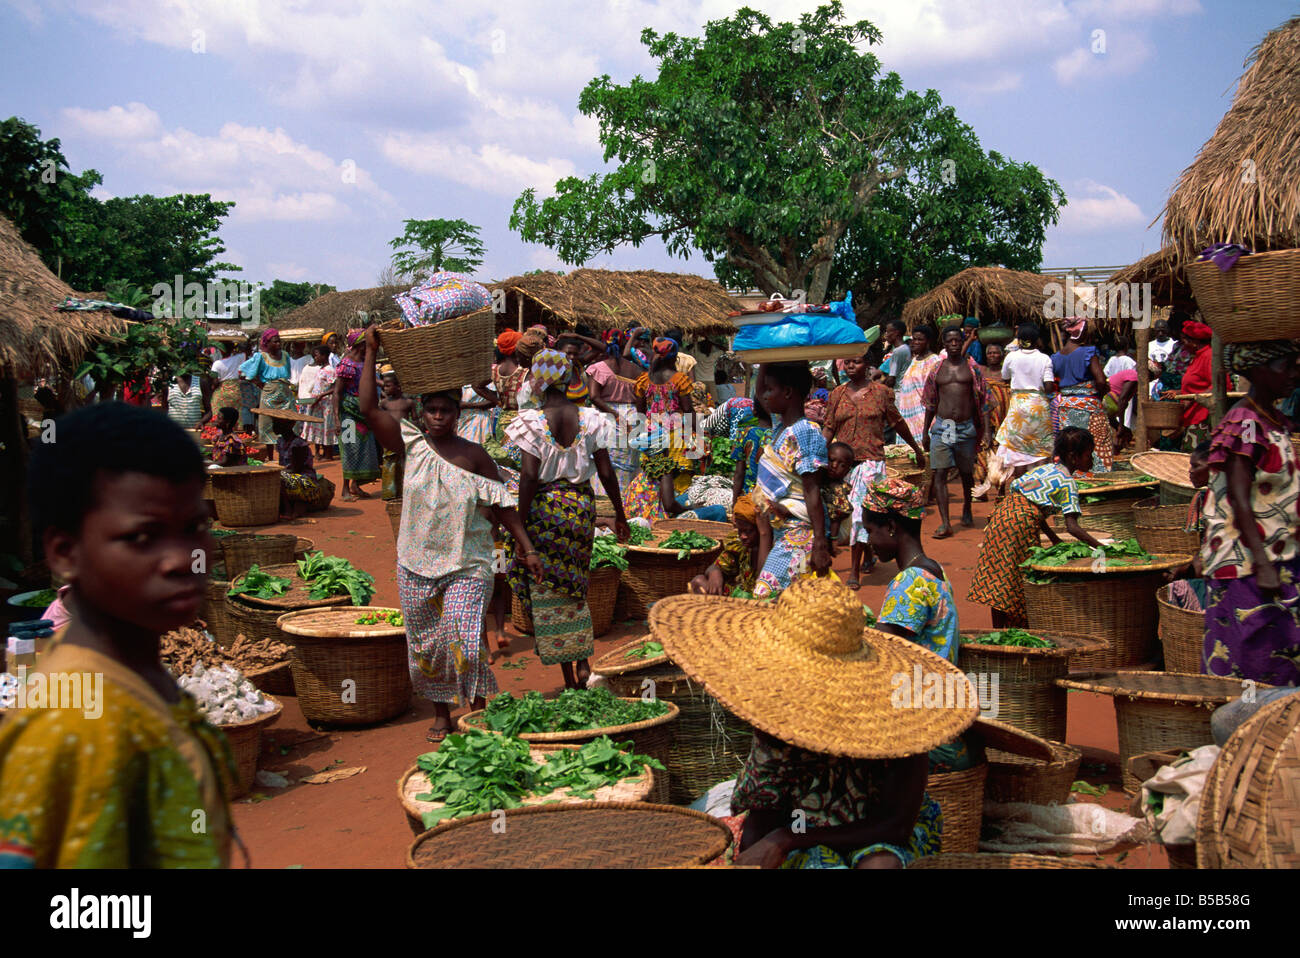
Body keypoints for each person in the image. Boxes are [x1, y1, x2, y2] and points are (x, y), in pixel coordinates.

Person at [0, 403, 234, 867]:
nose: (181, 558)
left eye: (193, 528)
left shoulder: (136, 673)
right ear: (65, 553)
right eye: (143, 537)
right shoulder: (77, 720)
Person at [650, 578, 973, 868]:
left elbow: (895, 825)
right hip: (801, 823)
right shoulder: (778, 718)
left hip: (877, 829)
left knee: (881, 864)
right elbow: (764, 816)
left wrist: (788, 840)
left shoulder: (903, 717)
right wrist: (767, 848)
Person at [358, 328, 542, 742]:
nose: (439, 417)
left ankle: (476, 712)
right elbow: (368, 407)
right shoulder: (411, 444)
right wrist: (371, 351)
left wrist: (526, 548)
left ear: (458, 414)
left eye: (446, 410)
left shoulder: (474, 455)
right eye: (433, 410)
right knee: (424, 644)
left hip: (466, 562)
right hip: (415, 560)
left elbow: (503, 505)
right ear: (422, 412)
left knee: (461, 634)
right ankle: (442, 712)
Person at [506, 349, 630, 689]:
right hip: (579, 511)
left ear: (538, 381)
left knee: (548, 590)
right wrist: (620, 514)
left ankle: (568, 674)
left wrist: (520, 523)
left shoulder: (531, 422)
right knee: (576, 586)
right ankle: (583, 663)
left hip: (545, 511)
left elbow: (530, 477)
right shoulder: (590, 419)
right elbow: (606, 471)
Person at [1200, 341, 1300, 686]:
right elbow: (1240, 499)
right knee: (1248, 661)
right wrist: (1262, 562)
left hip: (1278, 555)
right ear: (1257, 371)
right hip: (1245, 564)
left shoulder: (1273, 419)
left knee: (1282, 656)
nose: (1293, 374)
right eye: (1284, 366)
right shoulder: (1245, 421)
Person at [968, 427, 1105, 627]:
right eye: (1088, 455)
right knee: (1020, 578)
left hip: (1001, 516)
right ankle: (1020, 629)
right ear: (1073, 457)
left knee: (999, 578)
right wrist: (1100, 546)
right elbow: (1072, 527)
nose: (1091, 460)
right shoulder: (1067, 483)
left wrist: (1052, 538)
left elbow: (1028, 499)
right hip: (1020, 524)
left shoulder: (1045, 469)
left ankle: (997, 632)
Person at [750, 362, 831, 599]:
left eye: (770, 390)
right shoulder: (781, 428)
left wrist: (820, 542)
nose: (764, 396)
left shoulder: (804, 431)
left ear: (787, 392)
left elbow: (812, 490)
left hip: (801, 533)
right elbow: (758, 394)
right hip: (783, 530)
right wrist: (766, 357)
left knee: (764, 595)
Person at [923, 325, 988, 538]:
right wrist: (925, 432)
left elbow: (984, 400)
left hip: (965, 426)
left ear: (962, 342)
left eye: (957, 341)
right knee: (940, 472)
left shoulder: (972, 368)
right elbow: (930, 402)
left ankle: (967, 507)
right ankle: (945, 522)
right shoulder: (936, 369)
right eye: (949, 341)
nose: (953, 344)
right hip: (944, 426)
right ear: (943, 343)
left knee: (966, 472)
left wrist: (987, 431)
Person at [632, 337, 697, 519]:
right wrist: (699, 435)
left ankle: (655, 511)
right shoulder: (680, 379)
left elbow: (640, 411)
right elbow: (688, 409)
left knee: (656, 473)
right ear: (675, 357)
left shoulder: (644, 379)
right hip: (676, 432)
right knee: (678, 475)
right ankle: (677, 512)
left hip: (652, 433)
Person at [1050, 317, 1113, 473]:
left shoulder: (1055, 357)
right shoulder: (1088, 352)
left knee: (1071, 445)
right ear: (1081, 332)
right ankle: (1097, 477)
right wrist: (1104, 389)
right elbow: (1100, 380)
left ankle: (1073, 476)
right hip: (1089, 407)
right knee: (1097, 445)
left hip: (1065, 406)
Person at [994, 323, 1056, 479]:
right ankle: (1040, 488)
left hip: (1018, 406)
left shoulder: (1011, 357)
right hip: (1038, 406)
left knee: (1018, 451)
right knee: (1040, 448)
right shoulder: (1044, 358)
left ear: (1019, 340)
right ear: (1037, 341)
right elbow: (1049, 387)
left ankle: (1020, 491)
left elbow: (1005, 377)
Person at [587, 328, 645, 494]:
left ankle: (603, 498)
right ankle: (625, 498)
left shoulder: (598, 368)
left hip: (606, 416)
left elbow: (594, 397)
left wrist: (615, 415)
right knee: (628, 462)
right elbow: (640, 399)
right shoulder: (636, 370)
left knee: (603, 460)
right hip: (631, 416)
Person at [333, 329, 381, 501]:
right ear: (361, 344)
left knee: (364, 450)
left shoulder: (365, 361)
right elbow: (337, 392)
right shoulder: (347, 364)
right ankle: (345, 488)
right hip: (348, 414)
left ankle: (356, 485)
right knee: (348, 450)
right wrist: (337, 419)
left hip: (364, 414)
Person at [262, 409, 335, 518]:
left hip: (305, 481)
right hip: (290, 477)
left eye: (277, 424)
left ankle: (288, 510)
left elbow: (295, 469)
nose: (274, 426)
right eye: (274, 423)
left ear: (288, 425)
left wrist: (274, 472)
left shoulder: (298, 444)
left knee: (278, 479)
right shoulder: (281, 441)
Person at [689, 493, 762, 596]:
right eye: (740, 531)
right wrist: (715, 573)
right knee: (699, 581)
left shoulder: (769, 550)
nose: (743, 536)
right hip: (736, 595)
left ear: (761, 529)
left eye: (748, 531)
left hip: (753, 601)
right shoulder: (741, 547)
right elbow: (715, 566)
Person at [239, 328, 294, 452]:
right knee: (267, 424)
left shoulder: (285, 355)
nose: (278, 344)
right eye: (275, 342)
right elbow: (245, 372)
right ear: (267, 343)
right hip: (269, 393)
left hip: (285, 393)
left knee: (288, 422)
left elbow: (288, 374)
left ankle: (286, 455)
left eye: (279, 341)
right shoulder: (261, 357)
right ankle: (270, 456)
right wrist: (260, 384)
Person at [894, 324, 941, 451]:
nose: (915, 342)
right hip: (909, 417)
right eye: (914, 339)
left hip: (924, 417)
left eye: (920, 339)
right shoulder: (915, 360)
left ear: (928, 342)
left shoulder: (934, 361)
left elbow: (936, 392)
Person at [1171, 320, 1215, 451]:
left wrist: (1193, 398)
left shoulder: (1209, 356)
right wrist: (1180, 392)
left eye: (1184, 340)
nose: (1182, 345)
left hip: (1203, 419)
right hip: (1192, 417)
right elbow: (1199, 385)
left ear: (1194, 342)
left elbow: (1220, 385)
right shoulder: (1197, 357)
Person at [977, 341, 1012, 497]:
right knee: (982, 448)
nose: (992, 355)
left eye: (996, 352)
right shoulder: (981, 370)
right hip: (984, 415)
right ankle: (980, 488)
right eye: (989, 353)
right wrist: (970, 340)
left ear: (1002, 355)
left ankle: (1001, 488)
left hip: (1003, 415)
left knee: (1001, 451)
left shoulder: (1007, 374)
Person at [379, 367, 415, 501]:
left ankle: (406, 491)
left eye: (388, 386)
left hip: (406, 436)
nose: (385, 389)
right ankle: (390, 492)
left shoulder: (408, 402)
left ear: (398, 386)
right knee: (389, 462)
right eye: (384, 386)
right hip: (390, 436)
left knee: (406, 463)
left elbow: (415, 420)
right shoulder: (384, 403)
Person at [297, 344, 339, 460]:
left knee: (327, 427)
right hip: (318, 403)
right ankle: (322, 453)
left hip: (326, 404)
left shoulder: (330, 370)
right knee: (319, 427)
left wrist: (322, 395)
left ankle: (329, 454)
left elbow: (335, 387)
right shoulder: (320, 369)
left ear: (324, 356)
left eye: (317, 356)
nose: (315, 358)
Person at [732, 396, 774, 500]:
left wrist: (734, 502)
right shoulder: (780, 435)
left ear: (754, 412)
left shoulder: (743, 433)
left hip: (748, 497)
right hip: (771, 499)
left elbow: (739, 473)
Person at [210, 339, 247, 422]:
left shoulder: (217, 364)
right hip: (235, 392)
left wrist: (212, 387)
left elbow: (215, 382)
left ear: (220, 350)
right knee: (235, 417)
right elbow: (246, 351)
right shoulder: (238, 358)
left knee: (220, 418)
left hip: (222, 393)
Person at [880, 319, 911, 389]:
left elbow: (891, 379)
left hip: (898, 392)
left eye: (888, 332)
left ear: (896, 333)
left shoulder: (898, 351)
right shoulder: (905, 348)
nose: (886, 335)